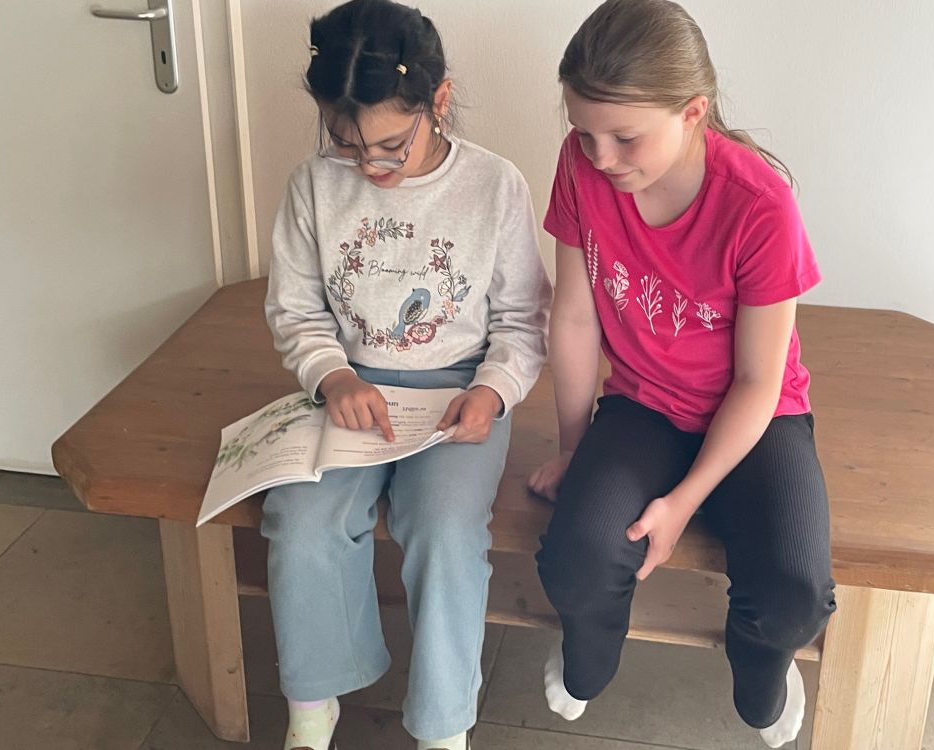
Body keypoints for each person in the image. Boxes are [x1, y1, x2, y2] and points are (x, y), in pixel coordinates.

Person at [527, 1, 835, 746]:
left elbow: (759, 382)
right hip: (643, 406)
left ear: (692, 112)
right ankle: (588, 663)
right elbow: (575, 318)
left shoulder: (760, 204)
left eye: (625, 137)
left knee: (793, 595)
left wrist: (685, 500)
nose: (601, 157)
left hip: (756, 416)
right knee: (576, 559)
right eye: (585, 133)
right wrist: (573, 448)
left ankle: (762, 676)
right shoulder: (581, 166)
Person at [263, 2, 551, 748]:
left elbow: (523, 321)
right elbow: (295, 310)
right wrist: (332, 377)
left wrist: (491, 392)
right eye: (346, 143)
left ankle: (443, 726)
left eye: (392, 145)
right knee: (301, 522)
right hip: (349, 387)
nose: (371, 168)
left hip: (459, 393)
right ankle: (312, 706)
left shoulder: (494, 186)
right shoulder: (313, 185)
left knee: (445, 529)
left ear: (439, 99)